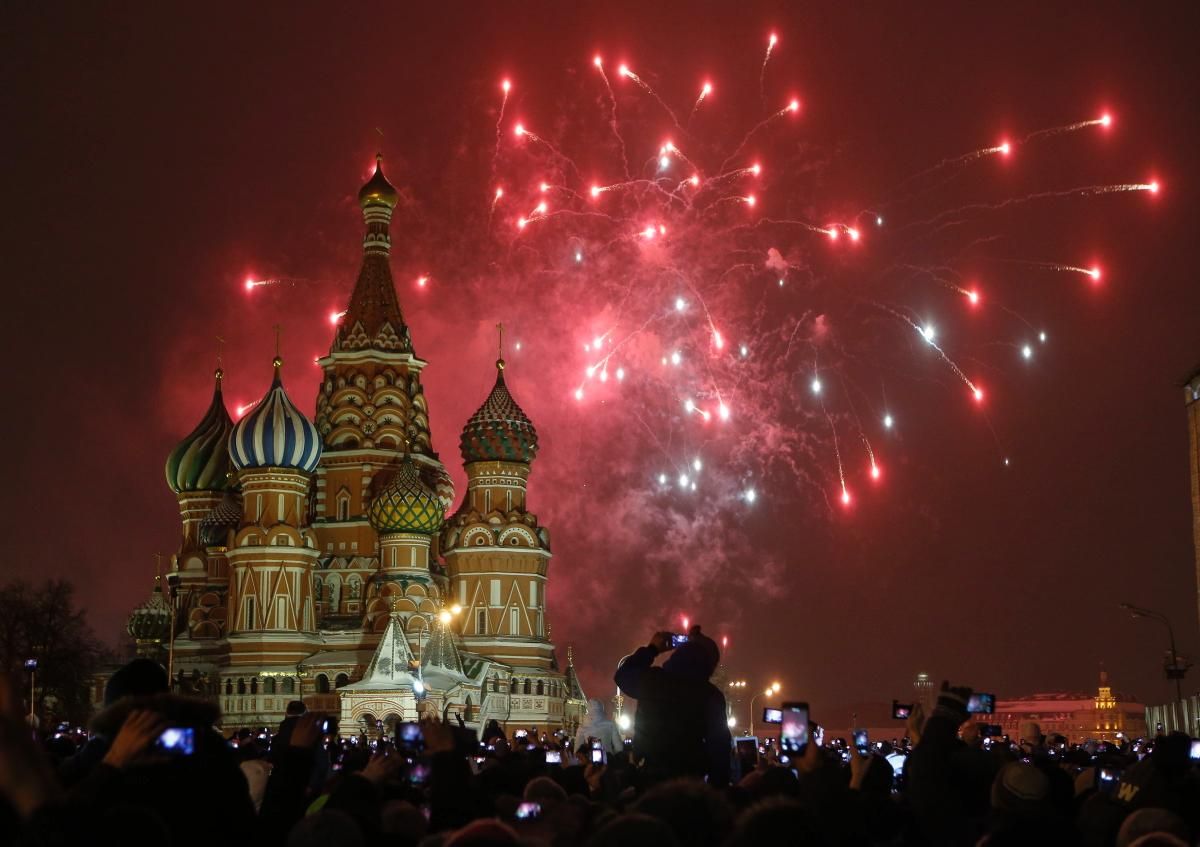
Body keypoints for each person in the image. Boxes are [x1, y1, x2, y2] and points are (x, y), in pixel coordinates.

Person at [613, 625, 731, 788]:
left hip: (651, 779)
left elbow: (623, 675)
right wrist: (717, 790)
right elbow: (719, 747)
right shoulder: (711, 695)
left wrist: (652, 649)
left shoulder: (653, 681)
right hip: (691, 783)